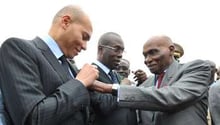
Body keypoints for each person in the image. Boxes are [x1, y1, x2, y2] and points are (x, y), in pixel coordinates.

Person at [0, 5, 99, 125]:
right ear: (65, 22)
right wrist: (79, 83)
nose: (84, 46)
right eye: (84, 37)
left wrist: (108, 88)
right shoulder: (18, 49)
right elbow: (34, 118)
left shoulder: (71, 67)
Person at [91, 35, 211, 125]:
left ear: (171, 50)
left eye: (153, 52)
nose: (147, 59)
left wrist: (109, 88)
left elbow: (169, 97)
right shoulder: (145, 84)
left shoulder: (197, 69)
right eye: (145, 55)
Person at [90, 32, 137, 125]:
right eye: (116, 49)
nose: (120, 55)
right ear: (101, 49)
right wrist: (123, 88)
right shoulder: (89, 74)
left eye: (122, 51)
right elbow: (103, 106)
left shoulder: (117, 77)